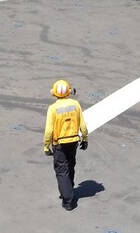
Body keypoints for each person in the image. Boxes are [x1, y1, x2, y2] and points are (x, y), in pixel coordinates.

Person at [43, 79, 88, 211]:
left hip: (59, 144)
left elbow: (49, 131)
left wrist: (46, 146)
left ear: (54, 93)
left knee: (62, 170)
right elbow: (83, 125)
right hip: (73, 141)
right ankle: (69, 187)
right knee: (70, 165)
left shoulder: (53, 108)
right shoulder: (75, 104)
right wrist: (85, 139)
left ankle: (68, 199)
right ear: (69, 91)